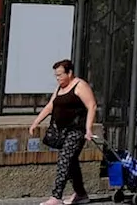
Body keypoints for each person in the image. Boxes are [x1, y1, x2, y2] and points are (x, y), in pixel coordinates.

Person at [30, 59, 96, 205]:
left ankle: (56, 197)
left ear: (70, 73)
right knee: (71, 162)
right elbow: (50, 107)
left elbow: (92, 105)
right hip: (61, 131)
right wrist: (36, 122)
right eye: (56, 75)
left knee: (64, 159)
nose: (58, 78)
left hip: (76, 130)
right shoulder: (60, 88)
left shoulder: (80, 86)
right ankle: (81, 194)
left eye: (60, 75)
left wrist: (88, 129)